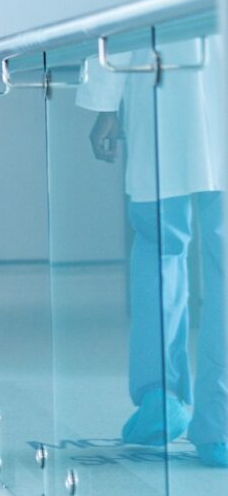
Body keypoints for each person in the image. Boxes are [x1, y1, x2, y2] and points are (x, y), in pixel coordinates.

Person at [81, 36, 227, 467]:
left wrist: (106, 103)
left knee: (159, 248)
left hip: (159, 88)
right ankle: (219, 423)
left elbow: (119, 2)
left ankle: (160, 399)